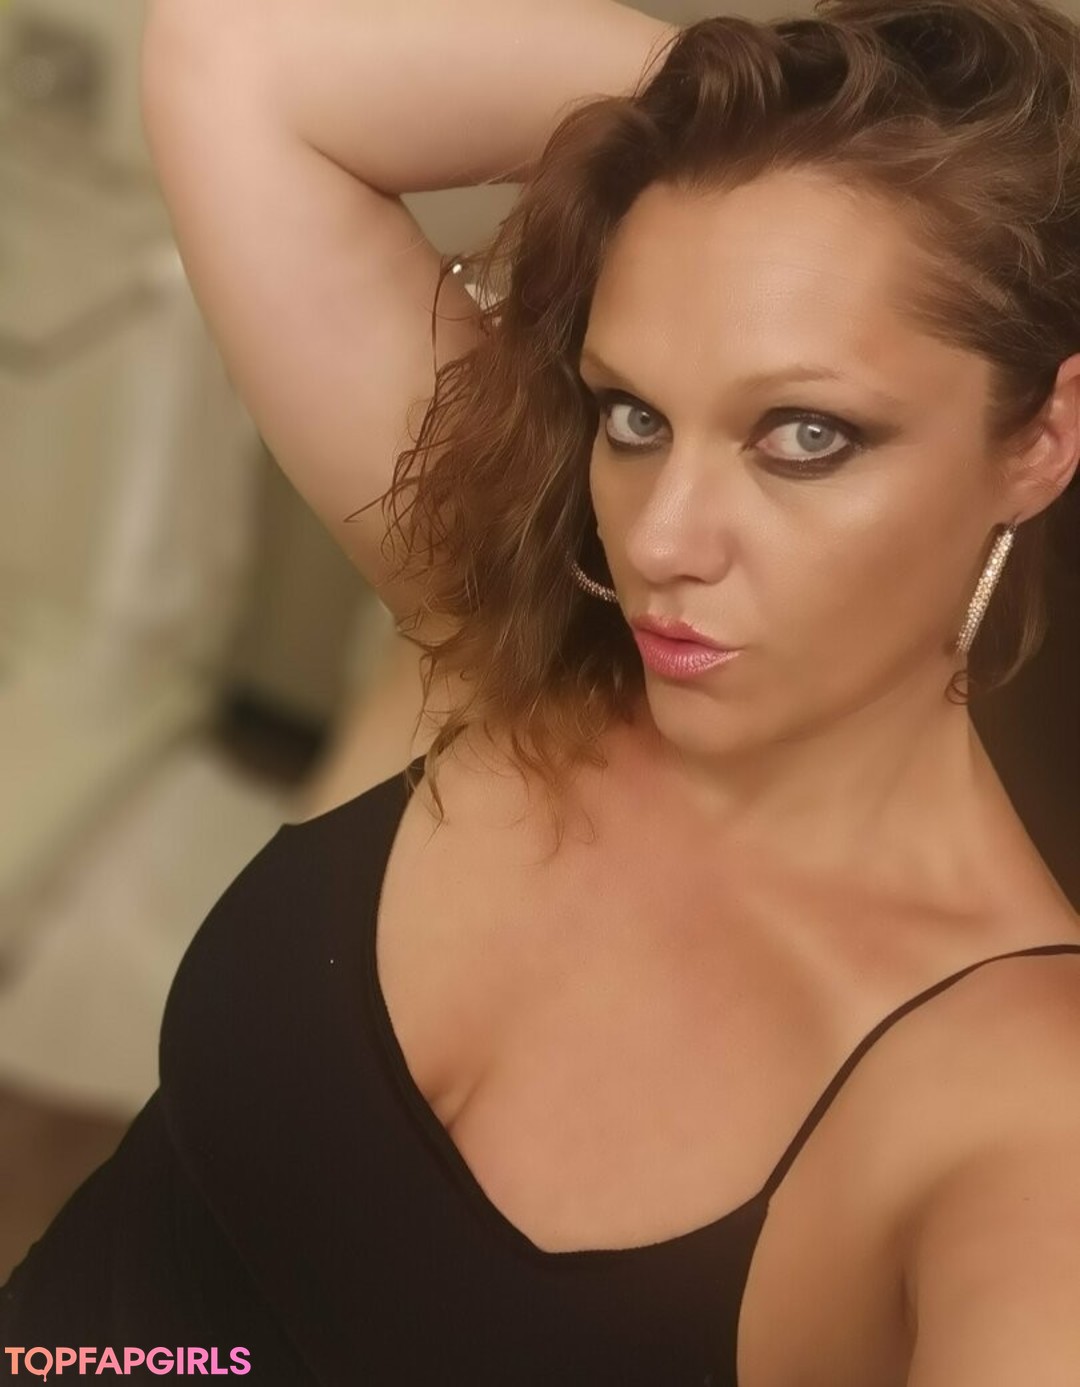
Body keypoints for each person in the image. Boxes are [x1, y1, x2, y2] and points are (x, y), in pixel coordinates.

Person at [3, 0, 1080, 1382]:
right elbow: (234, 51)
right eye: (634, 415)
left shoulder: (1017, 1104)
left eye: (805, 435)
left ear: (1041, 438)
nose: (662, 540)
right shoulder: (534, 634)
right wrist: (791, 122)